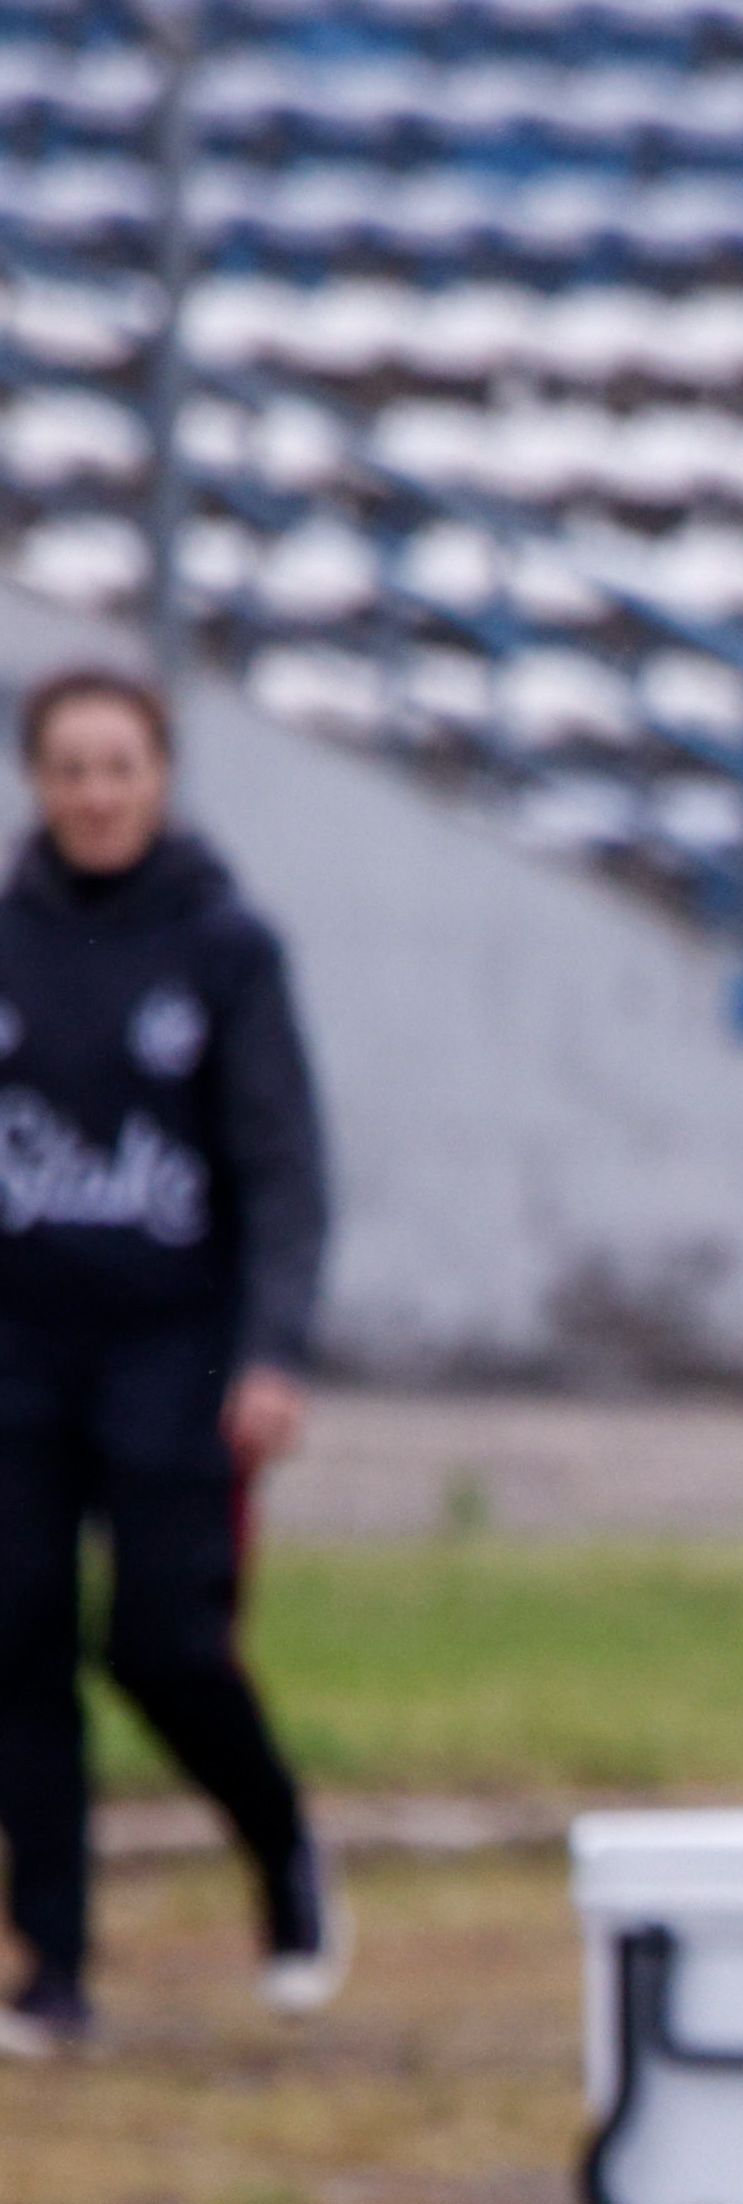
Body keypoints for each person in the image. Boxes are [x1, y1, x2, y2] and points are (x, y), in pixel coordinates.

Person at [0, 666, 336, 2059]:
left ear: (159, 777)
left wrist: (269, 1350)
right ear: (37, 780)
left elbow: (280, 1163)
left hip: (175, 1350)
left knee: (162, 1645)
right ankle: (56, 1961)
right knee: (16, 1642)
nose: (92, 792)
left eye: (116, 765)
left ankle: (284, 1851)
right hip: (20, 1349)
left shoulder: (223, 946)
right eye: (68, 766)